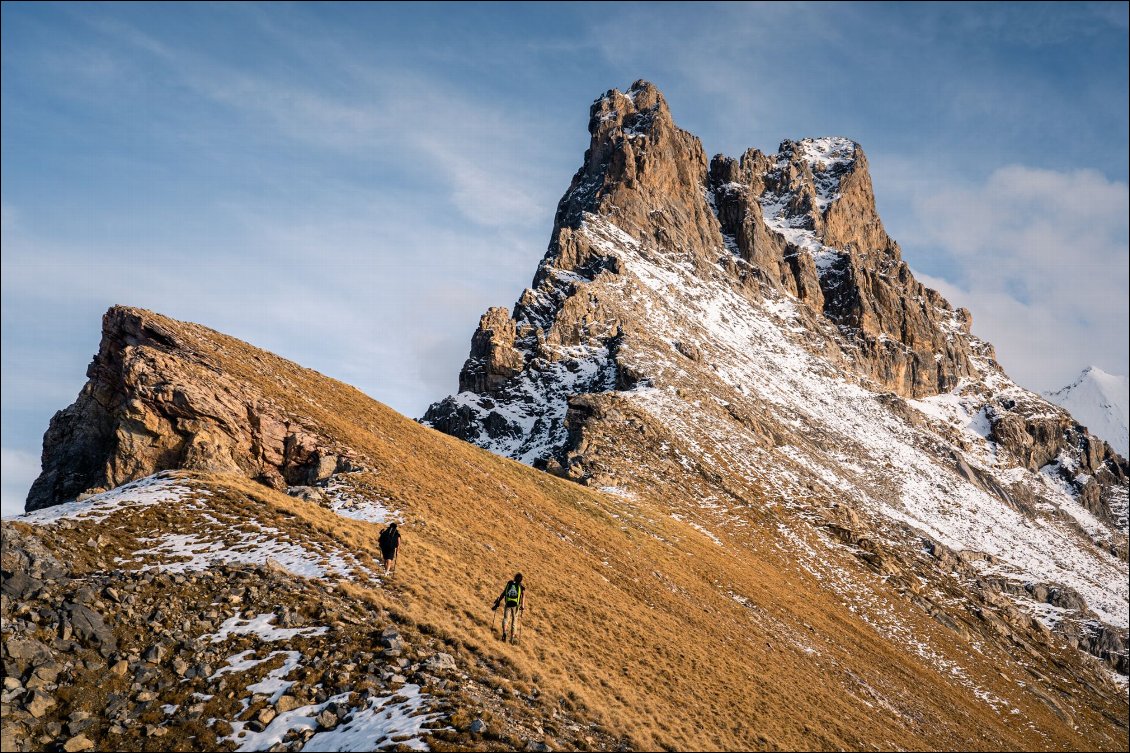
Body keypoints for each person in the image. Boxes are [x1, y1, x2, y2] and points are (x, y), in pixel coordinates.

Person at [492, 573, 525, 643]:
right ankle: (512, 637)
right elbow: (523, 596)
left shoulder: (509, 583)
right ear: (521, 579)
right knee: (514, 621)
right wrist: (523, 605)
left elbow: (504, 593)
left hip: (508, 604)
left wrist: (499, 600)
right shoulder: (521, 586)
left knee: (506, 619)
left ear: (514, 577)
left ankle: (504, 632)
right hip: (516, 605)